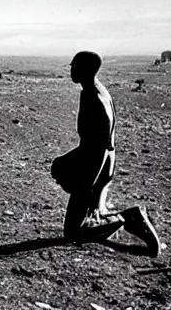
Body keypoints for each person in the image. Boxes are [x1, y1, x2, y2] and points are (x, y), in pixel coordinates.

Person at [51, 51, 160, 257]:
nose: (71, 70)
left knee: (73, 232)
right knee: (89, 216)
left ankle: (130, 218)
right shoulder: (96, 91)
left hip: (94, 164)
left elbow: (101, 145)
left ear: (85, 69)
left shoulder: (94, 98)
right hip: (99, 162)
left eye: (74, 66)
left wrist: (88, 181)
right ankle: (122, 221)